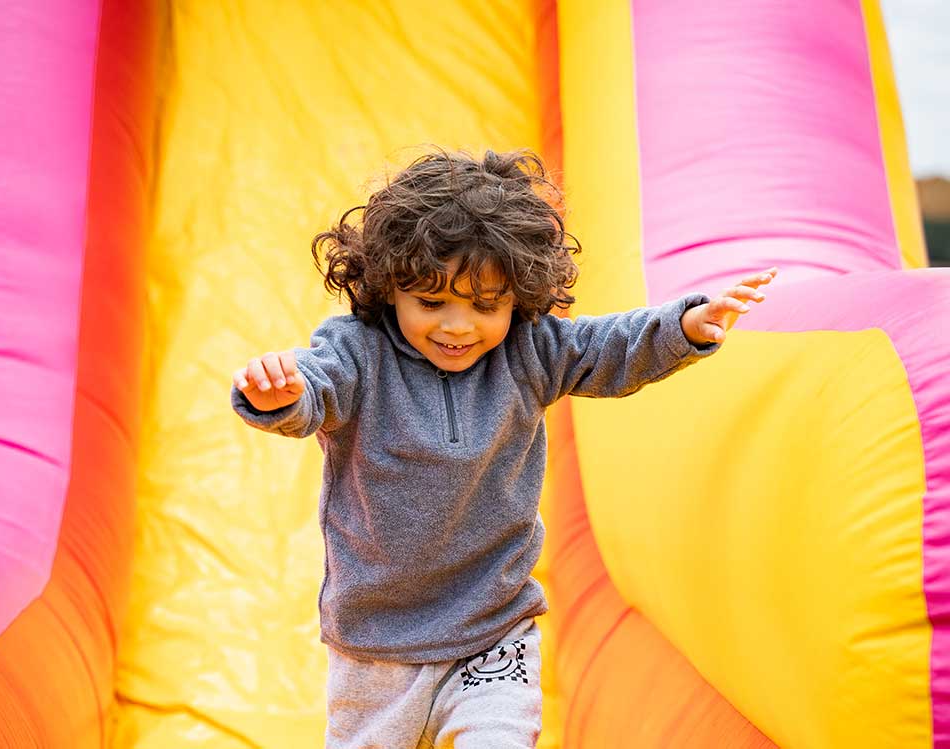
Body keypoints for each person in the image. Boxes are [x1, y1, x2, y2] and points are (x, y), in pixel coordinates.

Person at [230, 149, 775, 748]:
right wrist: (278, 392)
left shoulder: (530, 351)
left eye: (486, 306)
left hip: (494, 625)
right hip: (378, 640)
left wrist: (686, 326)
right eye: (431, 303)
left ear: (519, 298)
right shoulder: (358, 352)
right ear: (389, 289)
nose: (458, 327)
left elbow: (608, 347)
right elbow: (315, 391)